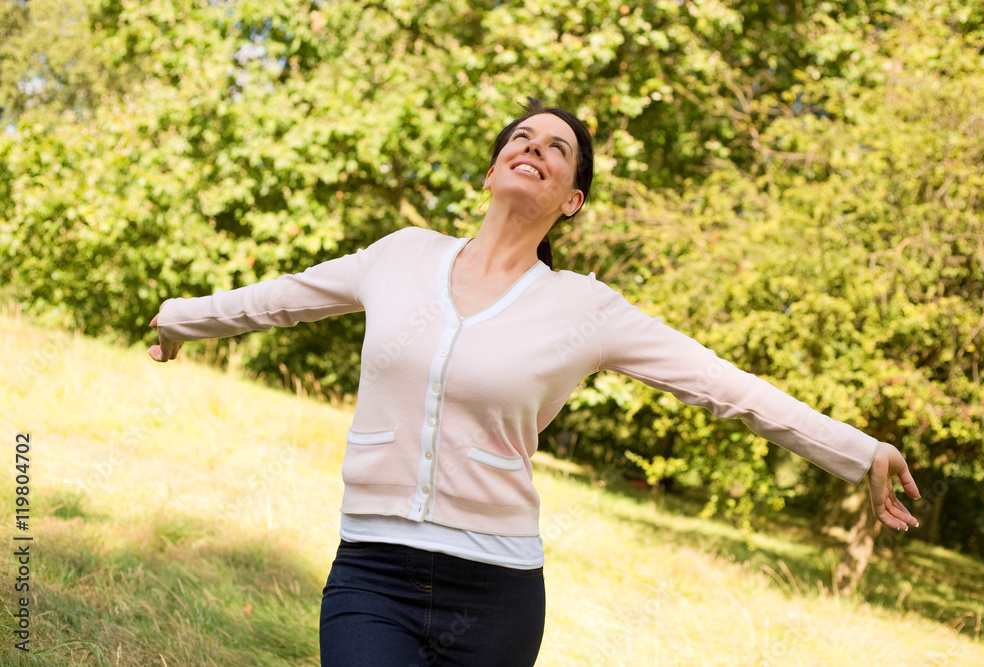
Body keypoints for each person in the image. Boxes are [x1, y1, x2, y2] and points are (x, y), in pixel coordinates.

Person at [148, 98, 920, 666]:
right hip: (373, 568)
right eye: (521, 137)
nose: (534, 146)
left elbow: (724, 385)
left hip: (496, 597)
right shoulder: (402, 254)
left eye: (558, 147)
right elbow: (280, 298)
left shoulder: (585, 309)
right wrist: (178, 319)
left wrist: (860, 451)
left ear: (571, 198)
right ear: (492, 170)